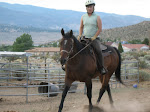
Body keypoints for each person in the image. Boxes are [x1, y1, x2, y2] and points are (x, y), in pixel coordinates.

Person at [77, 0, 107, 75]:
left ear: (93, 7)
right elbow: (81, 27)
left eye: (91, 7)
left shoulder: (97, 17)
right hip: (85, 38)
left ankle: (101, 67)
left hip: (94, 39)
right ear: (86, 8)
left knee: (98, 51)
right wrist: (80, 35)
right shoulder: (83, 17)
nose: (89, 8)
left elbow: (100, 29)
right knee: (76, 49)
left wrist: (94, 37)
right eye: (88, 7)